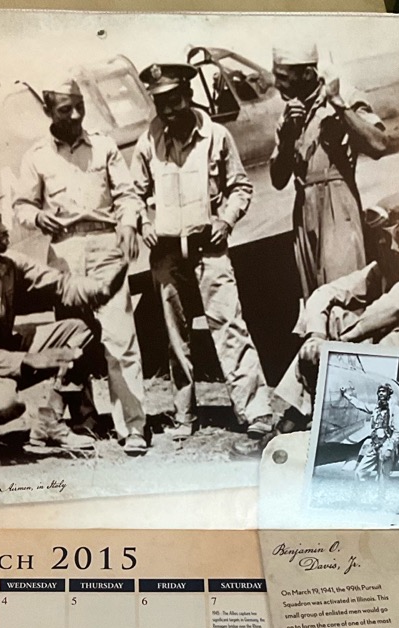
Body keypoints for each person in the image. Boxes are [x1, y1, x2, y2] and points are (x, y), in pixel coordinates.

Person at [129, 62, 273, 443]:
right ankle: (184, 414)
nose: (168, 110)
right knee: (176, 337)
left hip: (209, 249)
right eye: (160, 103)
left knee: (229, 326)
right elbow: (133, 193)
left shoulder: (216, 137)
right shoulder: (148, 143)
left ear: (188, 96)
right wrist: (143, 223)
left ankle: (255, 409)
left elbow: (240, 186)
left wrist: (226, 220)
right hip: (166, 255)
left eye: (174, 100)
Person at [0, 190, 126, 454]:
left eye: (1, 220)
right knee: (5, 402)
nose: (4, 229)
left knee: (81, 331)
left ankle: (49, 420)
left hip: (6, 353)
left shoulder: (7, 263)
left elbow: (60, 285)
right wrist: (27, 359)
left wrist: (99, 289)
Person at [13, 74, 148, 455]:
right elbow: (22, 205)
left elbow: (127, 195)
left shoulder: (103, 146)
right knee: (75, 339)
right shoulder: (36, 156)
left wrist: (127, 223)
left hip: (106, 247)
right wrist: (37, 217)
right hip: (65, 254)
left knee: (120, 338)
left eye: (79, 107)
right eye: (64, 110)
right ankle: (84, 420)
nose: (74, 116)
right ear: (48, 111)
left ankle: (133, 426)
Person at [273, 194, 399, 423]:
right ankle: (299, 412)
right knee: (335, 316)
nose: (382, 244)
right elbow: (326, 293)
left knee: (396, 334)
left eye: (386, 235)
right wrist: (316, 336)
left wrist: (342, 341)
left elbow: (395, 307)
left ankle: (345, 416)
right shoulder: (391, 263)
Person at [269, 41, 387, 299]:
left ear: (306, 74)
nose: (276, 84)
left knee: (345, 294)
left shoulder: (345, 97)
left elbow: (379, 145)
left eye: (283, 77)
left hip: (338, 208)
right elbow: (278, 180)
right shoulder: (289, 113)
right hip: (303, 212)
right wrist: (287, 137)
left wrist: (338, 104)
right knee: (316, 301)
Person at [341, 383, 399, 486]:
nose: (381, 394)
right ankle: (361, 493)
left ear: (388, 393)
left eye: (383, 391)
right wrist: (346, 396)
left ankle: (381, 495)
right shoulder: (376, 409)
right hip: (374, 445)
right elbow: (360, 405)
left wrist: (389, 448)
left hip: (386, 445)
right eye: (379, 392)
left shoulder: (395, 410)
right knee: (359, 472)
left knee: (382, 478)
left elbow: (397, 432)